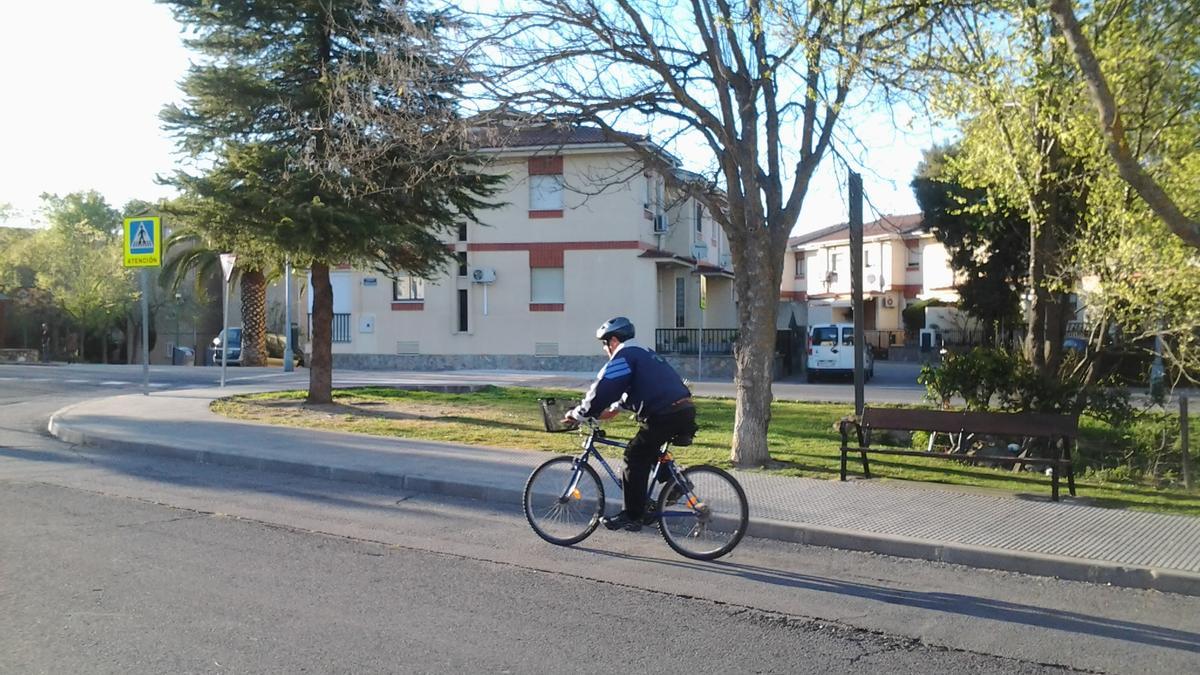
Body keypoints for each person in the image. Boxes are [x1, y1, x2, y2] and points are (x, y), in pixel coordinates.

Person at [562, 316, 697, 532]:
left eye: (605, 344)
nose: (605, 350)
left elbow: (604, 388)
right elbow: (623, 399)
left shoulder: (624, 354)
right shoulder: (643, 352)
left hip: (665, 413)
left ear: (613, 340)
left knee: (633, 455)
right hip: (682, 410)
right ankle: (675, 484)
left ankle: (633, 515)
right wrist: (602, 412)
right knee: (647, 447)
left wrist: (579, 413)